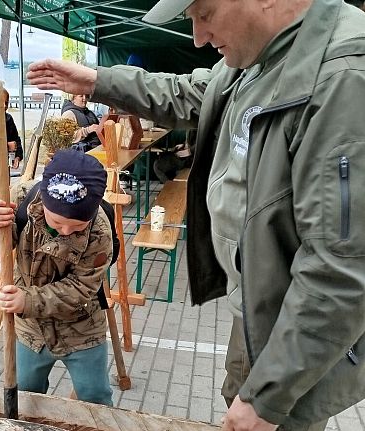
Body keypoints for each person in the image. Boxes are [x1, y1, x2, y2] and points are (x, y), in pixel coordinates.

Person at [27, 0, 365, 430]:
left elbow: (341, 267)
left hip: (300, 323)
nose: (197, 38)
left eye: (203, 14)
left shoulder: (344, 79)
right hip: (260, 307)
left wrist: (268, 397)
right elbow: (191, 94)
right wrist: (98, 81)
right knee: (236, 395)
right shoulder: (261, 55)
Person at [0, 150, 113, 406]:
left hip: (82, 329)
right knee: (28, 395)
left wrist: (26, 300)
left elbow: (81, 288)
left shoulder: (100, 232)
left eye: (77, 226)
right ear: (45, 203)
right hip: (31, 330)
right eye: (58, 222)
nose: (65, 231)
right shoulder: (20, 201)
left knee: (95, 396)